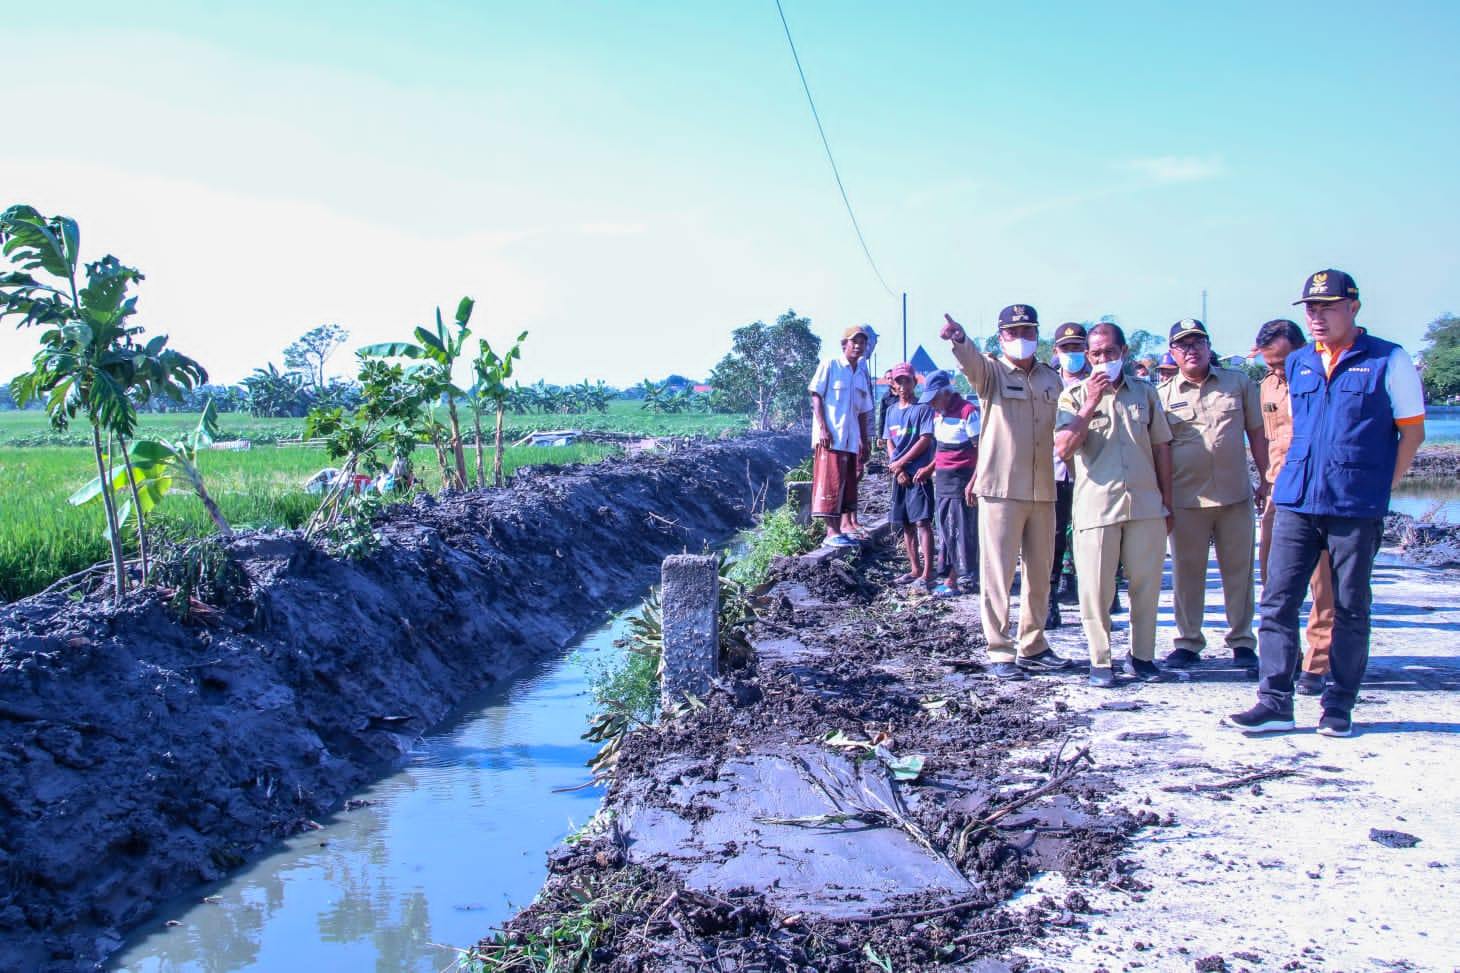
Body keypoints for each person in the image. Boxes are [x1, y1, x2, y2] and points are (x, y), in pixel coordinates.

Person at [1231, 270, 1425, 737]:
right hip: (1297, 499)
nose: (1317, 317)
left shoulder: (1388, 360)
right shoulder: (1298, 362)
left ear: (1353, 307)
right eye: (1311, 309)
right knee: (1278, 602)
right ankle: (1274, 700)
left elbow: (1412, 433)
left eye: (1327, 307)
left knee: (1350, 607)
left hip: (1354, 506)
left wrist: (1380, 488)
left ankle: (1338, 704)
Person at [940, 306, 1071, 679]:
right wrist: (960, 340)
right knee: (997, 573)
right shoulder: (992, 372)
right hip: (1001, 489)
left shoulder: (1051, 378)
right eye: (1013, 332)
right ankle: (1000, 649)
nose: (1022, 338)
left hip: (1044, 488)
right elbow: (971, 364)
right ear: (1001, 338)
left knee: (1040, 571)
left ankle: (1033, 644)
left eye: (1028, 331)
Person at [1055, 322, 1174, 687]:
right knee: (1095, 588)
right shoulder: (1072, 397)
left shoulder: (1145, 393)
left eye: (1110, 352)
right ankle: (1101, 660)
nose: (1104, 359)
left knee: (1145, 585)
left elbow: (1161, 448)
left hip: (1144, 504)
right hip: (1097, 506)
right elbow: (1063, 448)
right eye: (1096, 353)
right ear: (1088, 357)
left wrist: (1166, 501)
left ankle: (1142, 656)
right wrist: (1091, 402)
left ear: (1124, 352)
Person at [1157, 318, 1269, 670]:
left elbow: (1257, 434)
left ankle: (1242, 641)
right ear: (1173, 353)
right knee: (1188, 575)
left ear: (1208, 346)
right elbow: (1158, 450)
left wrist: (1266, 479)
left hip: (1235, 496)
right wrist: (1163, 499)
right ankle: (1188, 642)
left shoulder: (1238, 384)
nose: (1191, 350)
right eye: (1183, 345)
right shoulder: (1162, 396)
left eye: (1197, 343)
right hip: (1187, 500)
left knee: (1239, 573)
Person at [1253, 318, 1334, 695]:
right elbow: (1270, 442)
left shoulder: (1321, 379)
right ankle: (1287, 658)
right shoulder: (1267, 386)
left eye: (1282, 362)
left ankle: (1318, 665)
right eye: (1270, 364)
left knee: (1323, 585)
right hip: (1279, 491)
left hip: (1319, 493)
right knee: (1275, 580)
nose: (1278, 371)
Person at [915, 369, 980, 597]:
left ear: (946, 392)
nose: (932, 403)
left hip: (961, 480)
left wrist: (973, 482)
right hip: (942, 479)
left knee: (960, 529)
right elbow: (941, 449)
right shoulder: (937, 414)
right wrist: (929, 468)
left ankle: (959, 578)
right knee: (945, 529)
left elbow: (982, 451)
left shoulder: (968, 412)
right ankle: (952, 575)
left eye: (935, 398)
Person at [809, 327, 875, 548]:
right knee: (831, 483)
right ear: (844, 344)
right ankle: (831, 532)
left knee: (846, 485)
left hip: (850, 439)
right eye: (854, 341)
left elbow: (864, 411)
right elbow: (816, 394)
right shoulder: (831, 365)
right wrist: (823, 428)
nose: (858, 346)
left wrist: (865, 441)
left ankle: (842, 529)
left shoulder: (860, 374)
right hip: (831, 437)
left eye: (862, 342)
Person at [1048, 322, 1091, 629]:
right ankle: (1050, 599)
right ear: (1056, 351)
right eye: (1067, 349)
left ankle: (1100, 596)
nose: (1072, 354)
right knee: (1052, 538)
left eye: (1077, 347)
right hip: (1054, 471)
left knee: (1091, 537)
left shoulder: (1101, 381)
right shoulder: (1046, 384)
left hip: (1092, 472)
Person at [884, 363, 937, 590]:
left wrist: (902, 464)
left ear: (914, 382)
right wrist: (896, 469)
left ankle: (928, 572)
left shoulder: (923, 409)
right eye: (899, 381)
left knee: (922, 522)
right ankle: (914, 568)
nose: (903, 385)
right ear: (893, 385)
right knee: (906, 524)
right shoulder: (891, 411)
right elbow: (889, 441)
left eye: (907, 380)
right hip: (900, 475)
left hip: (917, 474)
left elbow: (925, 440)